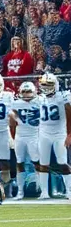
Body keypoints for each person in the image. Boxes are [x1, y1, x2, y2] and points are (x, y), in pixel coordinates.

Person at [36, 71, 70, 200]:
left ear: (55, 84)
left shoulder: (63, 96)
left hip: (59, 133)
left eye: (49, 84)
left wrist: (69, 134)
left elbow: (69, 114)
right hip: (44, 132)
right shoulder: (40, 98)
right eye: (44, 84)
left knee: (62, 162)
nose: (46, 87)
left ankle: (69, 190)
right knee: (43, 163)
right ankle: (44, 192)